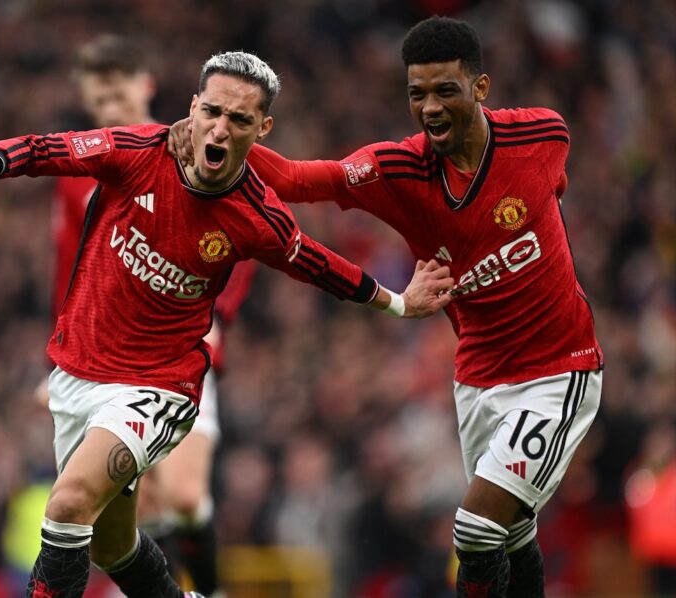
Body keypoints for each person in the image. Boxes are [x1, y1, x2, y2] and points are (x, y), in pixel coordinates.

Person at [0, 51, 454, 598]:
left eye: (239, 119)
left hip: (156, 388)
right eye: (212, 111)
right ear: (193, 107)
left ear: (262, 129)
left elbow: (317, 264)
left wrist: (400, 303)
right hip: (78, 375)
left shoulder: (255, 215)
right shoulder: (136, 151)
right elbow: (48, 149)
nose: (221, 128)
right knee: (111, 546)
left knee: (67, 505)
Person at [168, 15, 604, 598]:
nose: (429, 107)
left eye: (445, 90)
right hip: (478, 378)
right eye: (417, 94)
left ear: (480, 87)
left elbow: (554, 186)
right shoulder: (398, 171)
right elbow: (298, 179)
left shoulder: (542, 136)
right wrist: (212, 136)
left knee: (475, 529)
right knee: (511, 533)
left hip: (558, 369)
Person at [49, 34, 258, 596]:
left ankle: (210, 589)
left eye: (118, 96)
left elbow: (249, 232)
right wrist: (58, 350)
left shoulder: (192, 148)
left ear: (146, 87)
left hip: (174, 353)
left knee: (184, 496)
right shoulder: (80, 173)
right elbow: (70, 269)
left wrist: (221, 318)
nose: (109, 109)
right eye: (99, 101)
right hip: (103, 359)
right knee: (132, 514)